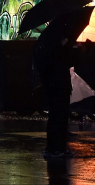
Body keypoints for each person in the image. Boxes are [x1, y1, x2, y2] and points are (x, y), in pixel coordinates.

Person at [33, 15, 79, 158]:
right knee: (59, 115)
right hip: (58, 82)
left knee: (56, 115)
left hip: (52, 81)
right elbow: (65, 59)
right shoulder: (57, 39)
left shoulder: (47, 37)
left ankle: (55, 147)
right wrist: (78, 50)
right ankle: (56, 148)